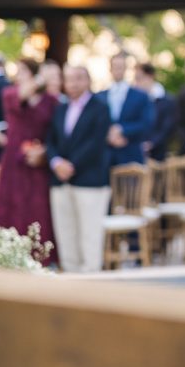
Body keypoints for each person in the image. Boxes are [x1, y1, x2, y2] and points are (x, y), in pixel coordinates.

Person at [46, 66, 112, 273]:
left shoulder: (100, 107)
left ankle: (91, 287)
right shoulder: (61, 108)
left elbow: (95, 143)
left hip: (90, 181)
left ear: (87, 81)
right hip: (60, 181)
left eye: (78, 79)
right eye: (69, 79)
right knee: (66, 234)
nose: (73, 84)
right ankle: (70, 284)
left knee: (89, 235)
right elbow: (51, 140)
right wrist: (56, 162)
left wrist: (71, 165)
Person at [0, 58, 60, 266]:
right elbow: (23, 95)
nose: (19, 74)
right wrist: (41, 79)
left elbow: (56, 130)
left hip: (38, 161)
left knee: (38, 207)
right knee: (12, 205)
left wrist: (45, 152)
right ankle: (11, 257)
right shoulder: (10, 93)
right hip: (14, 161)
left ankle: (41, 258)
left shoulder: (50, 100)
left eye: (24, 70)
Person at [96, 53, 153, 166]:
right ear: (110, 69)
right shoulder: (99, 97)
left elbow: (147, 123)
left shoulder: (141, 96)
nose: (118, 70)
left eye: (121, 67)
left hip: (130, 155)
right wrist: (108, 136)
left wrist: (123, 130)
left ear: (126, 69)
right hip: (104, 157)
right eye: (115, 66)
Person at [134, 63, 176, 161]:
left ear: (150, 77)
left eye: (139, 78)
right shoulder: (136, 100)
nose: (136, 83)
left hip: (159, 155)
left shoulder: (167, 100)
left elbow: (168, 127)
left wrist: (152, 143)